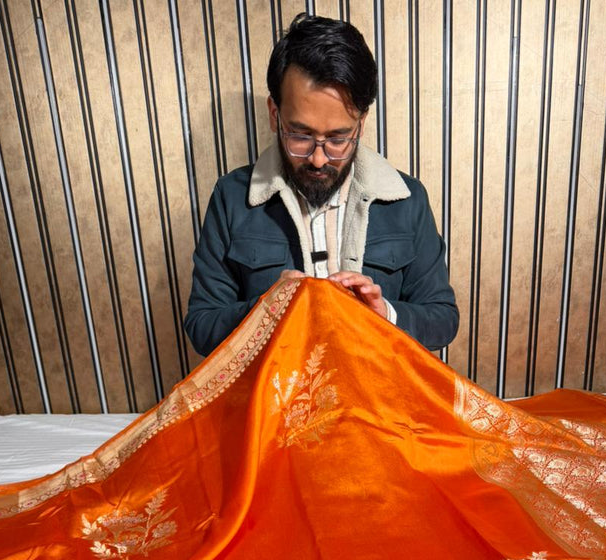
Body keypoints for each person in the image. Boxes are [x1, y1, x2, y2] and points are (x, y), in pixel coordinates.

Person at [184, 13, 459, 356]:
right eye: (300, 135)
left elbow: (443, 320)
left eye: (338, 139)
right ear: (275, 115)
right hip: (275, 389)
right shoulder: (231, 198)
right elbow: (201, 326)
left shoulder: (408, 199)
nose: (317, 159)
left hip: (377, 388)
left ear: (361, 124)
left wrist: (386, 314)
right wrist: (264, 310)